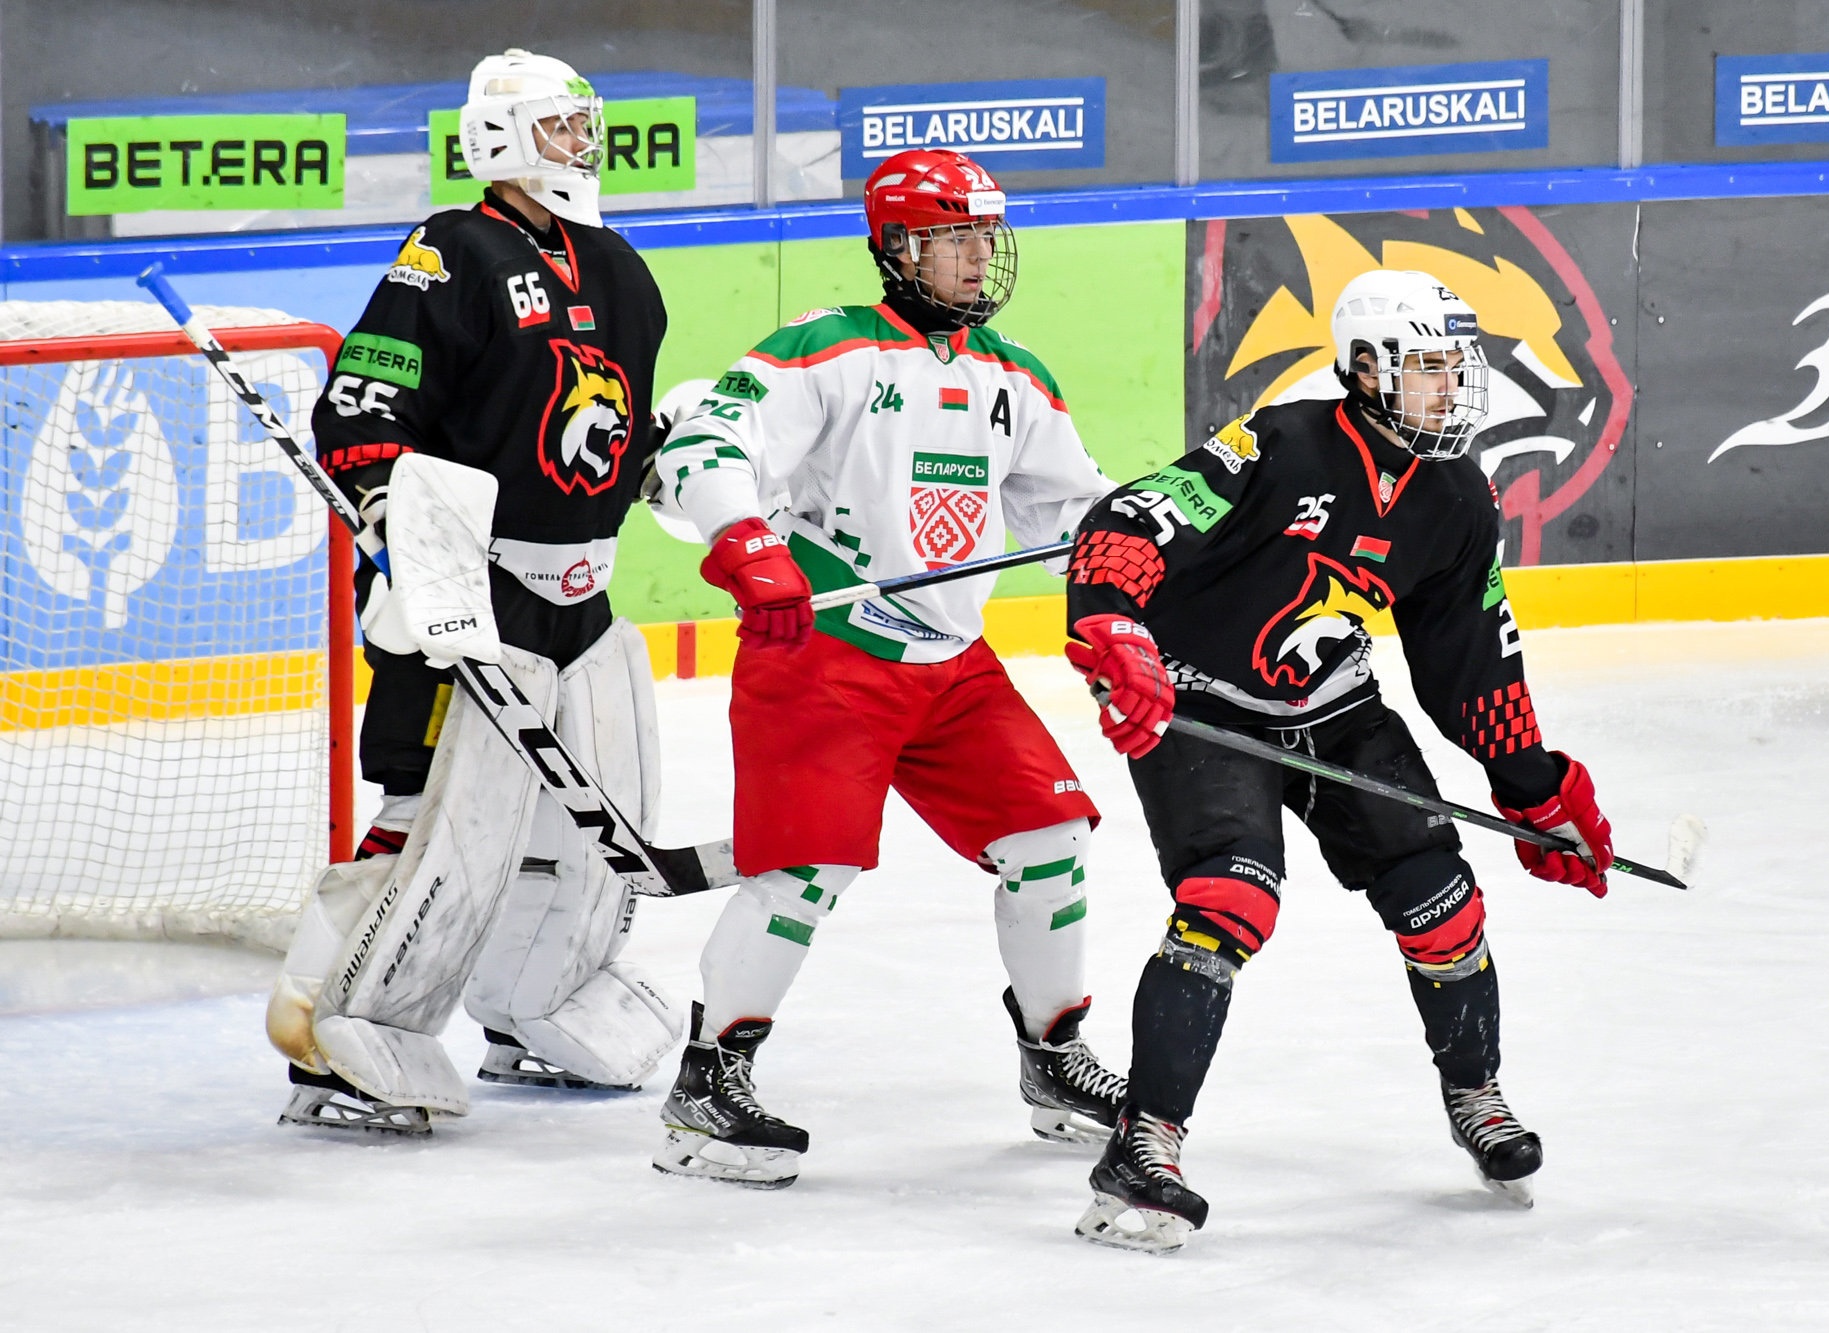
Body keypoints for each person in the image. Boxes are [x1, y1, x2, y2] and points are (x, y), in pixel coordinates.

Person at [1063, 269, 1617, 1251]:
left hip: (1336, 708)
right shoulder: (1282, 442)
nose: (1453, 386)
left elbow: (1469, 661)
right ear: (1365, 367)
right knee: (1229, 899)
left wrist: (1532, 786)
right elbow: (1132, 518)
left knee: (1441, 896)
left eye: (1457, 365)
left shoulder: (1456, 496)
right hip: (1200, 706)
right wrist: (1112, 624)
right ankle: (1143, 1144)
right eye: (1429, 366)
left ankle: (1475, 1092)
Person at [645, 148, 1124, 1188]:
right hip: (825, 652)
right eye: (952, 238)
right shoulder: (825, 348)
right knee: (804, 870)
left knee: (1049, 839)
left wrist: (1134, 587)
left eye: (984, 236)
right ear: (896, 247)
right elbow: (703, 448)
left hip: (953, 664)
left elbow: (1077, 514)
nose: (976, 258)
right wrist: (748, 542)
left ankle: (1053, 1059)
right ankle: (708, 1085)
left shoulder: (1015, 375)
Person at [264, 49, 676, 1135]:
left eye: (582, 125)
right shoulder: (451, 250)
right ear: (499, 138)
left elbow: (612, 432)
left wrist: (665, 457)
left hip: (581, 595)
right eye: (557, 127)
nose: (580, 144)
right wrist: (387, 515)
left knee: (592, 818)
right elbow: (363, 406)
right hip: (467, 593)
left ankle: (538, 1002)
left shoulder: (619, 267)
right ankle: (338, 1031)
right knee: (434, 814)